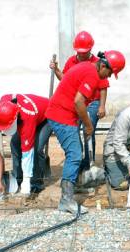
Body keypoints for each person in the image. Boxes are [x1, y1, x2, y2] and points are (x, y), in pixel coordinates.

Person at [45, 50, 125, 214]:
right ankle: (66, 200)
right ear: (103, 65)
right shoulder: (92, 75)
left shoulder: (87, 67)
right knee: (74, 154)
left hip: (63, 114)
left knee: (75, 153)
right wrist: (88, 126)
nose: (109, 77)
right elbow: (78, 102)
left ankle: (73, 186)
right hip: (61, 116)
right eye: (110, 73)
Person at [50, 31, 109, 171]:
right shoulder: (71, 61)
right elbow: (65, 79)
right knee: (73, 131)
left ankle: (89, 163)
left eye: (85, 51)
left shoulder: (98, 63)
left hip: (92, 102)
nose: (82, 54)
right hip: (75, 102)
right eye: (80, 51)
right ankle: (77, 160)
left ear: (91, 49)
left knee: (89, 129)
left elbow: (103, 86)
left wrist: (101, 106)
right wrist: (57, 69)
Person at [0, 94, 50, 196]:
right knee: (14, 144)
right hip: (26, 115)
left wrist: (27, 180)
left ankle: (36, 182)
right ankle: (17, 178)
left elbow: (27, 153)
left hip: (47, 116)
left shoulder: (27, 119)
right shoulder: (4, 103)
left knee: (36, 148)